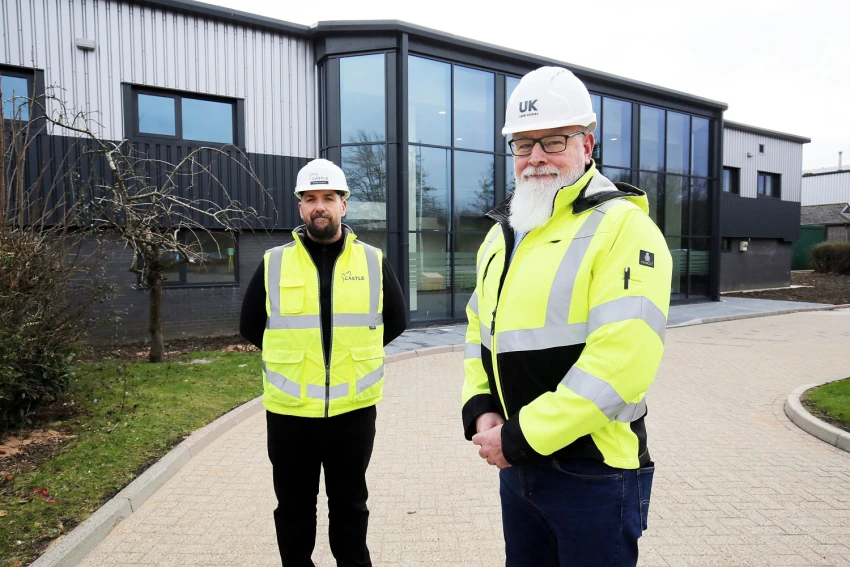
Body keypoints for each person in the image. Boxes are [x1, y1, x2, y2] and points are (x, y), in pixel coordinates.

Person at [461, 66, 672, 567]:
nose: (535, 157)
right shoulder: (504, 235)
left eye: (553, 140)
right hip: (519, 468)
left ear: (587, 144)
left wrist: (520, 436)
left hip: (593, 475)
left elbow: (623, 360)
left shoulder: (623, 228)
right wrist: (481, 404)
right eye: (522, 144)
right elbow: (479, 331)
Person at [240, 158, 406, 567]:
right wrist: (297, 359)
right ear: (300, 207)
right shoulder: (273, 262)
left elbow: (396, 321)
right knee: (294, 508)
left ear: (344, 204)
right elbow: (250, 326)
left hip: (352, 410)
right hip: (290, 412)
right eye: (311, 198)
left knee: (350, 504)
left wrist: (351, 357)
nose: (320, 206)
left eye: (329, 197)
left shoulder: (372, 260)